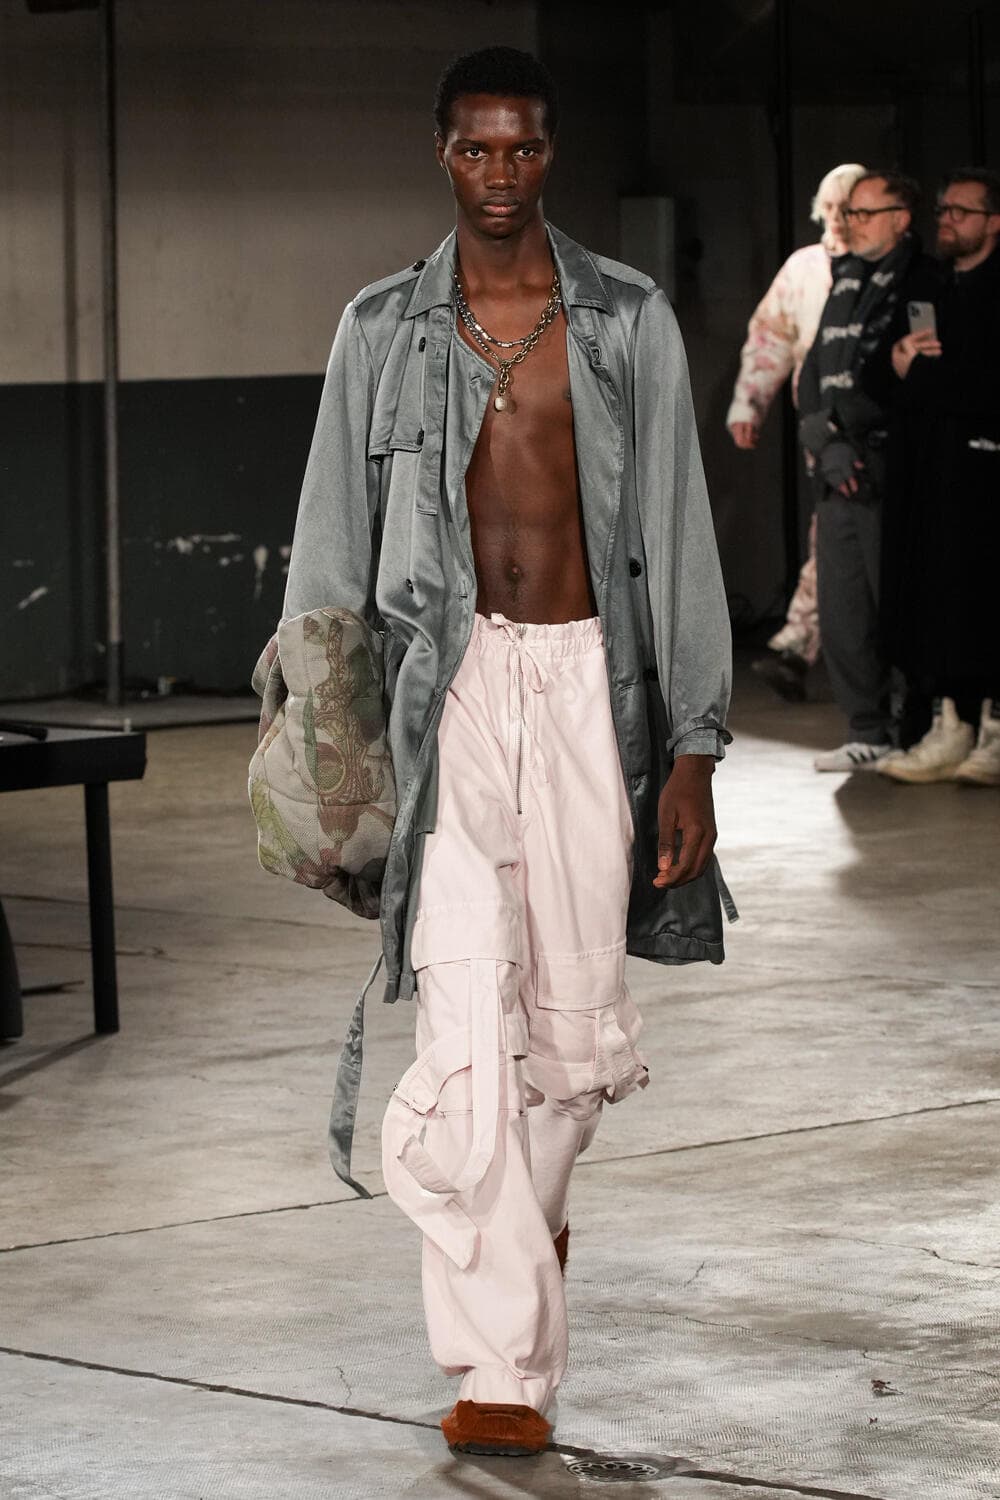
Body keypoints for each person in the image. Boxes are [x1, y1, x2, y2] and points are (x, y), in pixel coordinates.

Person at [280, 48, 733, 1458]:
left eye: (522, 148)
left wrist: (694, 750)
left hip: (596, 686)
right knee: (465, 1011)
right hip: (451, 692)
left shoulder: (625, 319)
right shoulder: (380, 328)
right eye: (475, 149)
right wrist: (327, 747)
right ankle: (500, 1366)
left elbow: (680, 531)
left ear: (550, 153)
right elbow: (329, 550)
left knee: (571, 1038)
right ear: (442, 153)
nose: (499, 173)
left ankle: (523, 1239)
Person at [797, 170, 933, 772]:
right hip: (837, 466)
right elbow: (813, 372)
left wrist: (845, 429)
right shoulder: (844, 278)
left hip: (885, 464)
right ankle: (866, 729)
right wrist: (823, 437)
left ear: (901, 219)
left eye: (863, 213)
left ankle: (913, 729)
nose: (849, 224)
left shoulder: (920, 280)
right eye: (847, 213)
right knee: (843, 606)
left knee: (896, 604)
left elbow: (906, 376)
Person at [876, 167, 1000, 786]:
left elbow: (981, 383)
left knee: (984, 595)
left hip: (985, 470)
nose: (946, 220)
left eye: (961, 211)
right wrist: (902, 362)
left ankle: (993, 731)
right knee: (939, 596)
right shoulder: (930, 284)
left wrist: (916, 375)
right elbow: (879, 370)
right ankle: (953, 725)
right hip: (931, 469)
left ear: (993, 222)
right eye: (943, 209)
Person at [727, 164, 866, 702]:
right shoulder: (805, 268)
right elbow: (770, 339)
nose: (839, 221)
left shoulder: (883, 268)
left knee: (845, 538)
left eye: (848, 210)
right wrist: (750, 402)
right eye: (831, 210)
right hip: (820, 426)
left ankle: (801, 643)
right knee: (830, 534)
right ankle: (797, 644)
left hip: (877, 421)